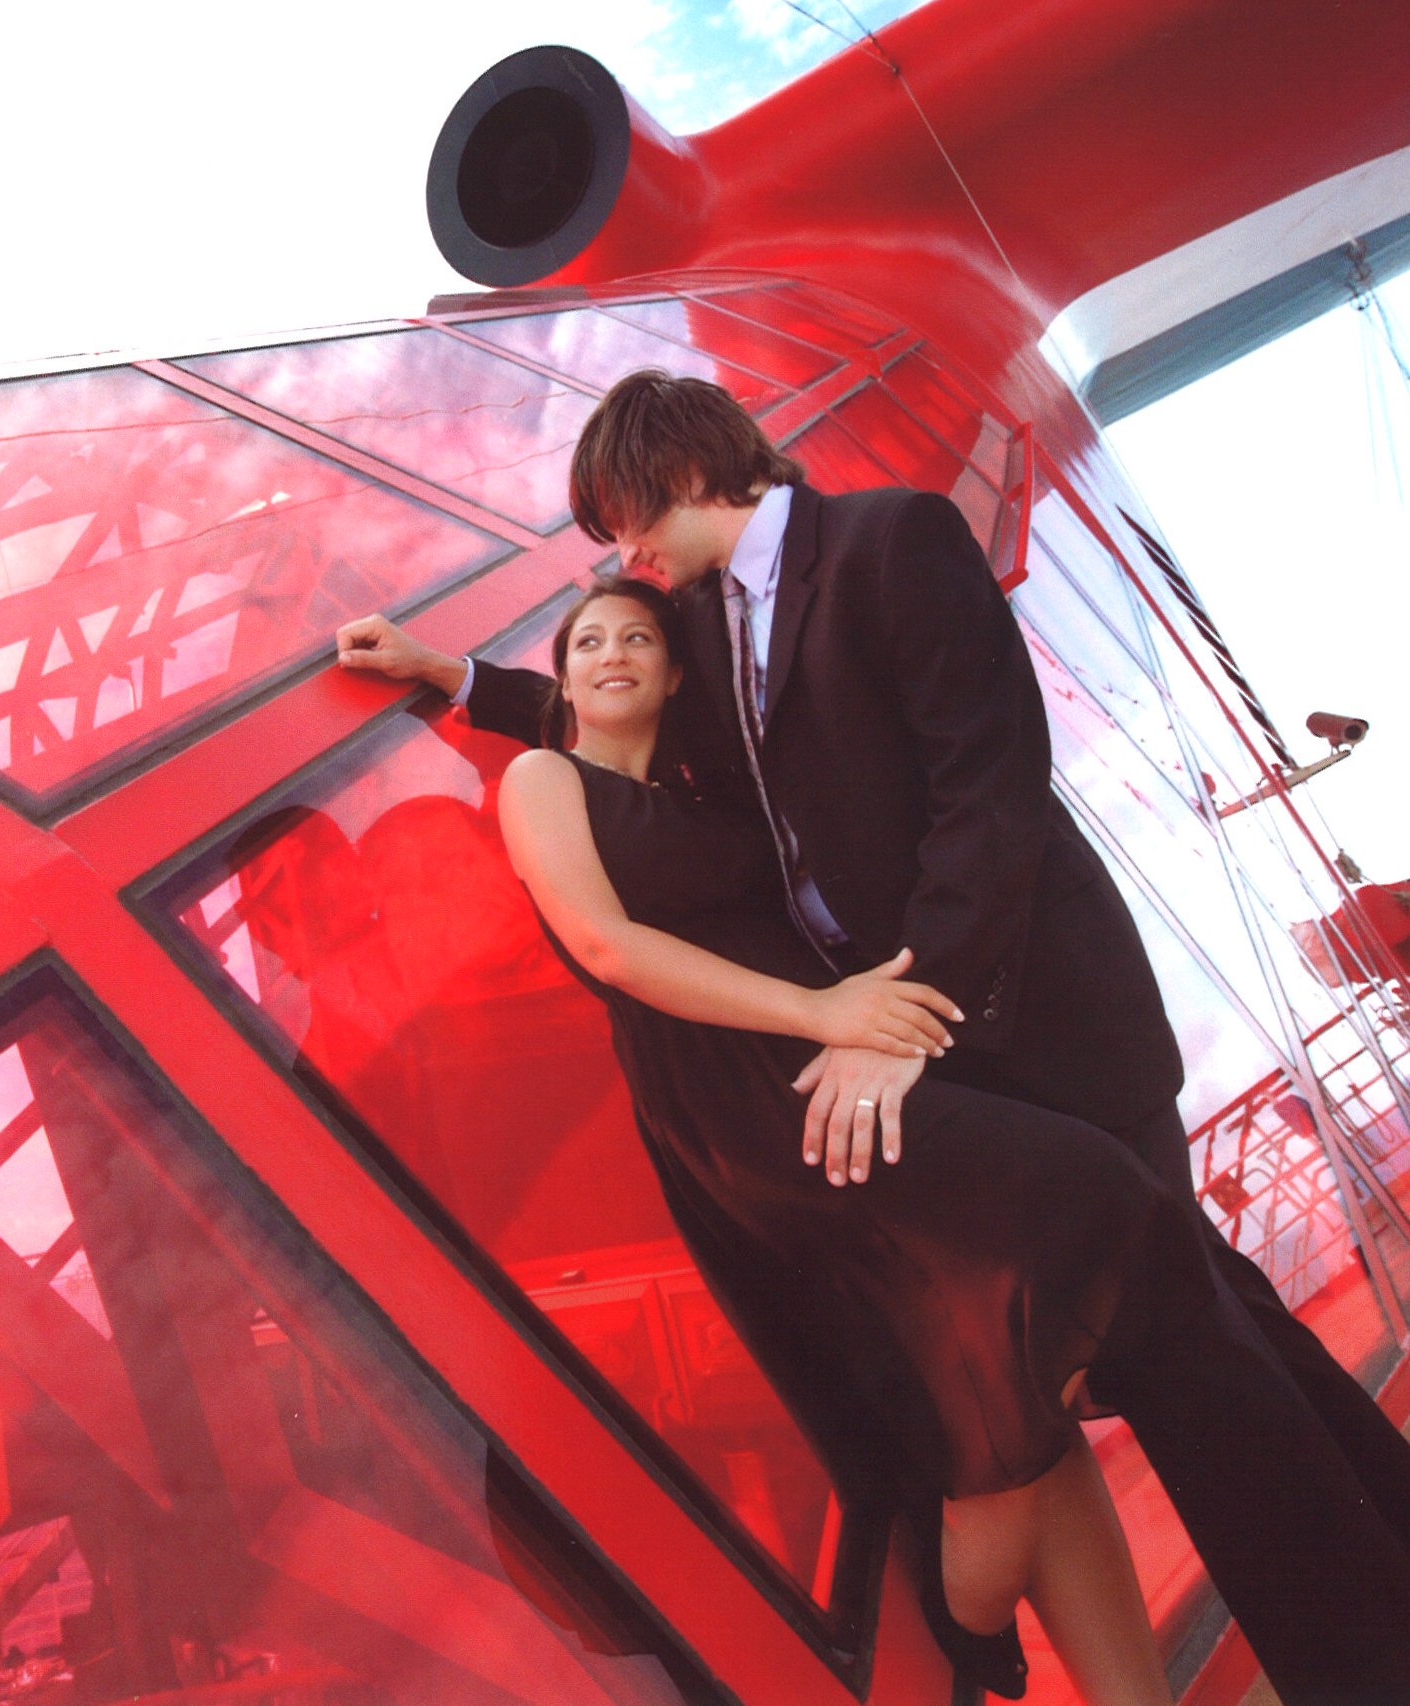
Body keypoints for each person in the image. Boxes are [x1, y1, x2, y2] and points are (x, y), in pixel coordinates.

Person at [337, 368, 1410, 1704]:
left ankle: (1359, 1664)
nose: (624, 552)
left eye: (623, 516)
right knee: (1207, 1320)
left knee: (1191, 1358)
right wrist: (452, 678)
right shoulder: (704, 624)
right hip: (927, 1044)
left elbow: (989, 786)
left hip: (1037, 1024)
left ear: (677, 468)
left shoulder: (891, 540)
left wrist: (900, 1023)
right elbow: (603, 722)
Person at [503, 575, 1197, 1700]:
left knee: (1013, 1418)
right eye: (588, 641)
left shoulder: (709, 792)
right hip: (742, 1096)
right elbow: (606, 946)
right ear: (564, 678)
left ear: (675, 675)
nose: (613, 652)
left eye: (639, 637)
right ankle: (965, 1607)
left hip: (833, 1067)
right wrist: (822, 1012)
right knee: (1081, 1193)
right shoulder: (541, 779)